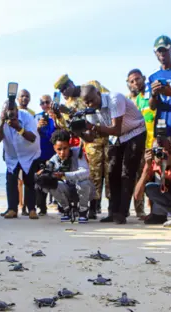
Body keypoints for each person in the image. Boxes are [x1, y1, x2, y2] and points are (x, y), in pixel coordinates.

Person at [81, 85, 147, 225]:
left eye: (91, 100)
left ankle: (122, 213)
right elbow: (91, 138)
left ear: (99, 93)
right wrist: (79, 131)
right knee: (112, 173)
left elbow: (116, 129)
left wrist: (92, 127)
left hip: (135, 132)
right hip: (117, 137)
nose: (89, 105)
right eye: (86, 102)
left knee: (127, 172)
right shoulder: (91, 110)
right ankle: (113, 212)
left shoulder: (114, 98)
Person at [54, 74, 110, 219]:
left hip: (109, 134)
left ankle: (113, 208)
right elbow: (68, 128)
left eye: (65, 87)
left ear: (72, 83)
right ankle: (93, 207)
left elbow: (106, 102)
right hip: (91, 142)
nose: (64, 92)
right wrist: (59, 115)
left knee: (111, 174)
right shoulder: (68, 105)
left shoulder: (92, 85)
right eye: (61, 91)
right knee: (94, 175)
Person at [0, 100, 40, 219]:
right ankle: (12, 209)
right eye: (7, 110)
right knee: (11, 181)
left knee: (29, 181)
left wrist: (18, 127)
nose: (10, 112)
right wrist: (0, 122)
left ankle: (31, 209)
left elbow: (32, 137)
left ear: (17, 109)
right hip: (13, 155)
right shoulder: (2, 119)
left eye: (12, 110)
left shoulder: (27, 117)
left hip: (29, 153)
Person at [39, 129, 93, 223]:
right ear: (54, 148)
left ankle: (83, 211)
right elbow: (45, 188)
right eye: (59, 149)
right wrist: (43, 178)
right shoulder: (53, 160)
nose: (62, 153)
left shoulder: (78, 153)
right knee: (51, 184)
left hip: (84, 190)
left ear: (70, 146)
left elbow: (86, 172)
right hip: (67, 190)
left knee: (84, 182)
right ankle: (66, 209)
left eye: (65, 148)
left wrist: (64, 175)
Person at [126, 69, 159, 222]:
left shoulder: (152, 94)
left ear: (144, 78)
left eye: (137, 79)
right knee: (141, 176)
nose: (135, 83)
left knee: (156, 176)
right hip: (142, 144)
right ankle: (140, 211)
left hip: (156, 141)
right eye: (131, 81)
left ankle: (157, 210)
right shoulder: (136, 99)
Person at [35, 94, 58, 216]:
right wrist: (37, 127)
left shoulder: (57, 116)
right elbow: (31, 135)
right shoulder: (36, 117)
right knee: (40, 181)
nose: (45, 105)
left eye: (47, 102)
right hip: (40, 153)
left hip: (55, 153)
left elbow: (63, 131)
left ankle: (61, 206)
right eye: (42, 103)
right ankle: (42, 207)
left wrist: (55, 119)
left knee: (57, 179)